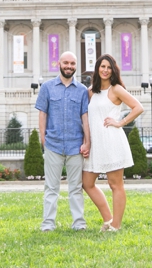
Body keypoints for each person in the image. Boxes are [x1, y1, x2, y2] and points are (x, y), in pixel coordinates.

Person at [82, 54, 144, 232]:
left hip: (112, 140)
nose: (105, 70)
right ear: (97, 69)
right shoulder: (91, 92)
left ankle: (115, 225)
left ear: (113, 70)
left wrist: (120, 122)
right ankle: (108, 219)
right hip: (95, 143)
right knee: (87, 182)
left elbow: (138, 107)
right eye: (102, 67)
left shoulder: (116, 89)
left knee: (115, 184)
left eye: (108, 67)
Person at [35, 51, 90, 232]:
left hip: (75, 145)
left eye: (72, 64)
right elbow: (42, 114)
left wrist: (86, 141)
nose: (69, 66)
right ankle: (48, 224)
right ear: (59, 63)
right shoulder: (47, 88)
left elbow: (85, 117)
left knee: (76, 188)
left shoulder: (82, 90)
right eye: (66, 63)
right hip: (53, 144)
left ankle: (79, 224)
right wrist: (43, 139)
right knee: (51, 187)